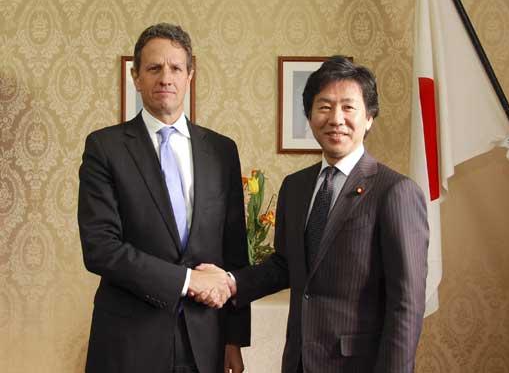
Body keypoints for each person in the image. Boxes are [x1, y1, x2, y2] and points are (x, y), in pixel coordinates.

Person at [197, 56, 429, 372]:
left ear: (369, 117)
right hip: (299, 362)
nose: (336, 118)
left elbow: (407, 305)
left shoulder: (395, 191)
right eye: (324, 107)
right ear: (309, 116)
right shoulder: (296, 187)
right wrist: (229, 280)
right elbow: (283, 266)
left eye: (348, 107)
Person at [78, 23, 250, 373]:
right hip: (129, 341)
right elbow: (101, 248)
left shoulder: (221, 150)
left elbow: (235, 250)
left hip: (205, 341)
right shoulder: (104, 147)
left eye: (175, 68)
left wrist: (234, 338)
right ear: (135, 76)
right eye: (154, 68)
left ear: (190, 75)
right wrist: (187, 281)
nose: (165, 78)